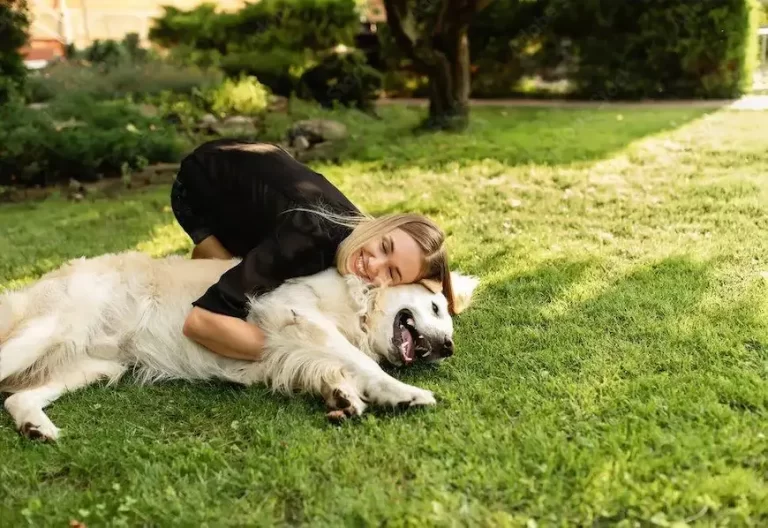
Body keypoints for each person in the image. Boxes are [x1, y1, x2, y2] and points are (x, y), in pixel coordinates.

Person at [170, 138, 457, 362]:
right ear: (381, 225)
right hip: (200, 181)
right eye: (384, 246)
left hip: (257, 167)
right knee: (230, 273)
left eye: (392, 273)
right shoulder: (305, 239)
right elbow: (200, 323)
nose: (374, 264)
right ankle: (205, 254)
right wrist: (303, 354)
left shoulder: (350, 237)